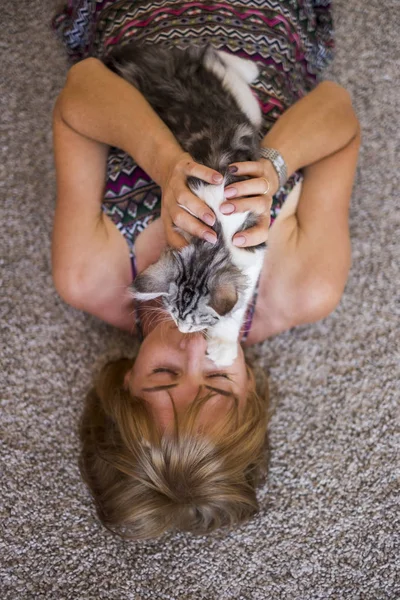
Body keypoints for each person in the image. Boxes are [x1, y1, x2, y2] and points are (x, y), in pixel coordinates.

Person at [51, 1, 361, 538]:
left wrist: (165, 161)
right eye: (217, 380)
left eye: (164, 375)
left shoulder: (90, 273)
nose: (193, 345)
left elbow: (83, 86)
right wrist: (276, 164)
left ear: (126, 382)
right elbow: (337, 111)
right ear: (252, 394)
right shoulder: (304, 288)